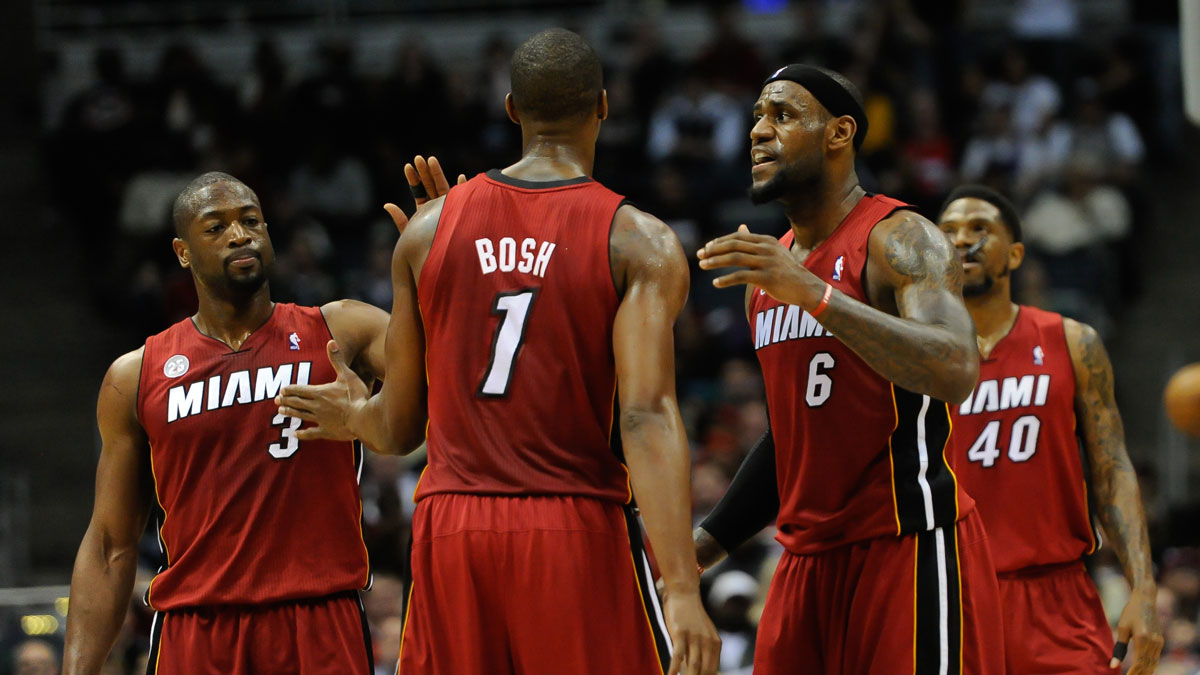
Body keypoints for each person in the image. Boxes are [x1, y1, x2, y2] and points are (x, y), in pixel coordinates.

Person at [275, 28, 720, 675]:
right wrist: (680, 586)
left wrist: (354, 416)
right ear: (603, 106)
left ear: (511, 108)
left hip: (452, 528)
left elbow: (397, 429)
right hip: (571, 521)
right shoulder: (638, 240)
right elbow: (645, 414)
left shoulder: (426, 234)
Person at [62, 159, 456, 675]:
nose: (239, 235)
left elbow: (455, 378)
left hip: (320, 616)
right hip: (197, 626)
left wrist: (448, 272)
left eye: (251, 220)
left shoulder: (343, 328)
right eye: (216, 226)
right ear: (182, 252)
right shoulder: (134, 376)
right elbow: (112, 544)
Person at [691, 65, 1004, 674]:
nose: (758, 131)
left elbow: (957, 366)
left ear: (839, 133)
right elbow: (793, 438)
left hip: (905, 543)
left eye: (781, 115)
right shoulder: (771, 272)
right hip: (804, 562)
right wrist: (698, 549)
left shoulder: (901, 236)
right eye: (756, 116)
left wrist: (817, 296)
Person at [936, 185, 1162, 674]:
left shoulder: (1073, 342)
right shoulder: (912, 357)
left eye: (979, 229)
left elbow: (1110, 467)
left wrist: (1143, 587)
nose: (961, 240)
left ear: (1015, 254)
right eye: (948, 232)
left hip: (1056, 597)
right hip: (949, 598)